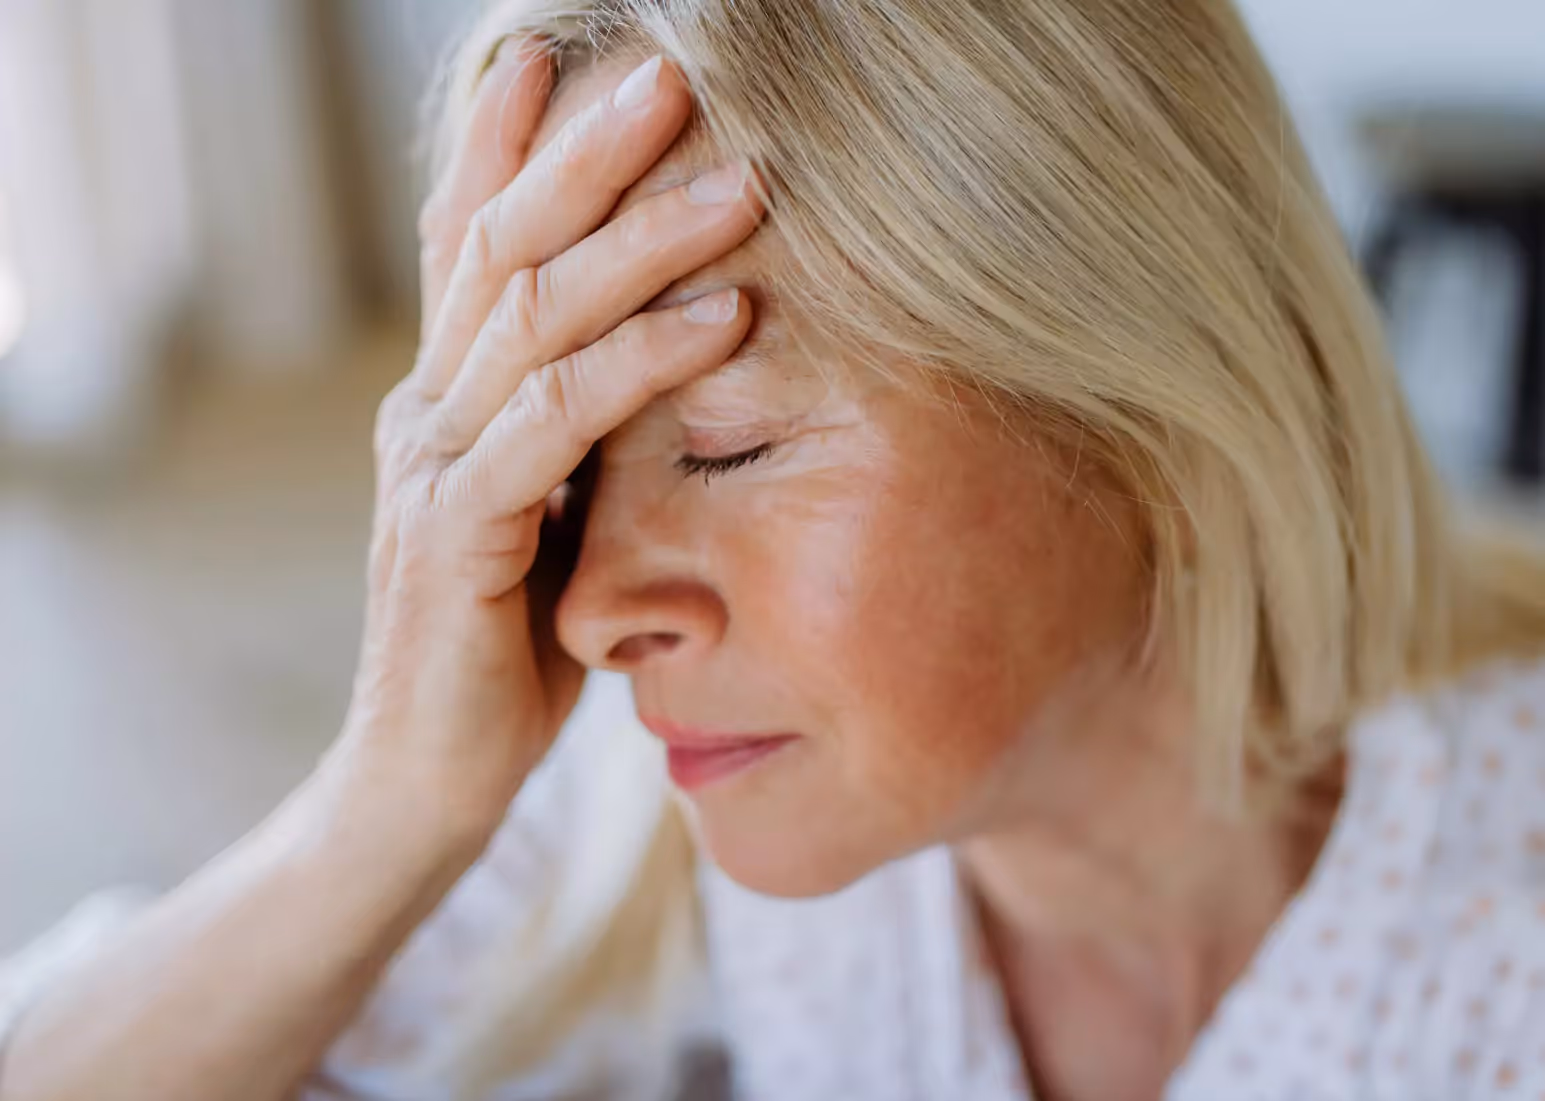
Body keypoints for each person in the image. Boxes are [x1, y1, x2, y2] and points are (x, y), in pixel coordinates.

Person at [4, 1, 1545, 1098]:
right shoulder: (641, 807)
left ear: (1147, 394)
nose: (594, 612)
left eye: (728, 446)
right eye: (563, 476)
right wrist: (388, 802)